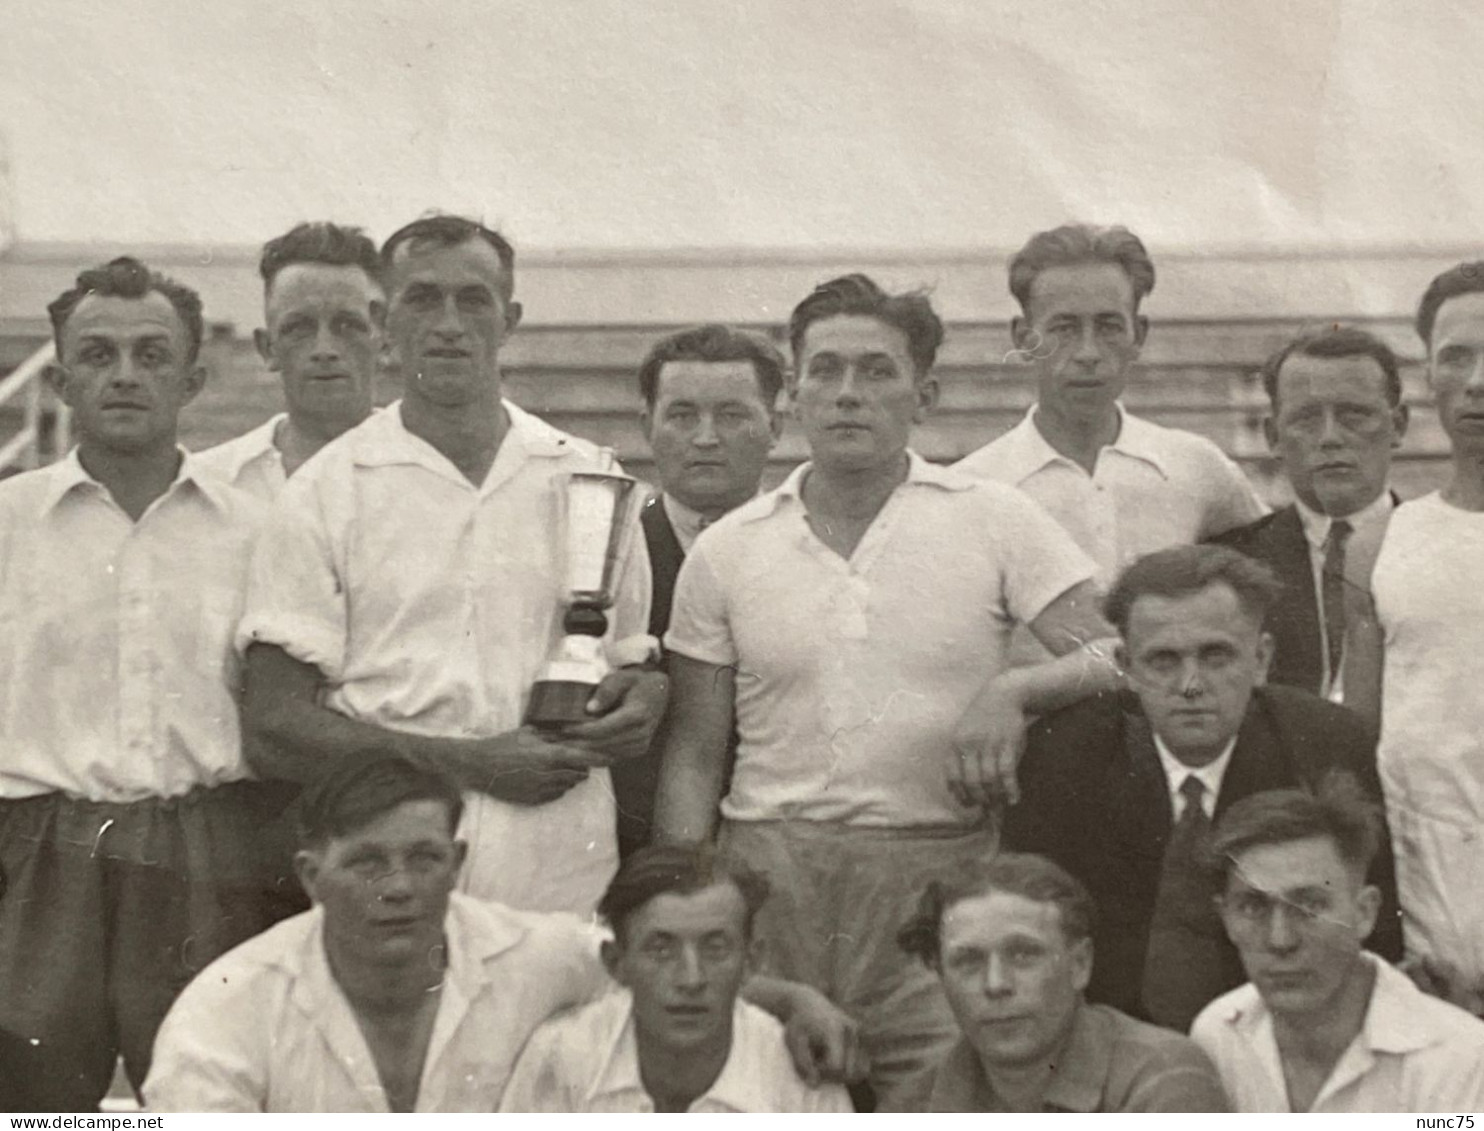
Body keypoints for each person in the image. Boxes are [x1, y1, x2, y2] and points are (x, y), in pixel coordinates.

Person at [655, 274, 1116, 1108]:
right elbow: (695, 749)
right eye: (824, 371)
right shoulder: (729, 547)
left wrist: (1015, 689)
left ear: (925, 394)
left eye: (876, 372)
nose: (847, 395)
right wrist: (691, 897)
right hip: (770, 876)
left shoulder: (993, 516)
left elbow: (1115, 655)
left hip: (937, 881)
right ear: (793, 393)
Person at [237, 214, 668, 915]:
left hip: (556, 864)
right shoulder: (325, 489)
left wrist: (643, 698)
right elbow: (275, 728)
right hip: (390, 862)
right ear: (383, 320)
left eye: (473, 300)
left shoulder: (588, 476)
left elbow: (627, 663)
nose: (447, 323)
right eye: (421, 299)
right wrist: (474, 763)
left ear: (511, 318)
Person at [144, 757, 861, 1112]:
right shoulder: (228, 1009)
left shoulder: (528, 953)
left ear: (457, 862)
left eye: (423, 857)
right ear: (310, 874)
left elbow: (657, 962)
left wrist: (793, 999)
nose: (398, 885)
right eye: (366, 861)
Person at [0, 257, 276, 1109]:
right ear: (64, 375)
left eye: (152, 355)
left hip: (206, 847)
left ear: (192, 378)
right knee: (34, 1104)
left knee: (209, 1095)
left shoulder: (258, 527)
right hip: (42, 852)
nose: (125, 374)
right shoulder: (8, 522)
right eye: (99, 353)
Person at [1002, 544, 1402, 1034]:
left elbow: (1373, 934)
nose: (1191, 686)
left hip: (1281, 1032)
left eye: (1216, 657)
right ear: (1126, 667)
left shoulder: (1326, 747)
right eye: (1164, 661)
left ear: (1261, 659)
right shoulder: (1064, 758)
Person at [956, 223, 1265, 607]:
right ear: (1024, 339)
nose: (1088, 352)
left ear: (1139, 335)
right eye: (1064, 328)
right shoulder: (972, 486)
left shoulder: (1197, 467)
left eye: (1109, 327)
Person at [1192, 785, 1484, 1112]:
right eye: (1253, 906)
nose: (1280, 939)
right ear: (1226, 918)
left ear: (1364, 912)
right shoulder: (1217, 1034)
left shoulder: (1462, 1061)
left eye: (1310, 906)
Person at [500, 845, 851, 1112]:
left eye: (715, 949)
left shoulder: (801, 1078)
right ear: (616, 962)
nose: (691, 979)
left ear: (751, 961)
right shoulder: (562, 1056)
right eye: (660, 949)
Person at [613, 325, 786, 860]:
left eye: (732, 415)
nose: (706, 437)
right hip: (628, 850)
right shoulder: (610, 551)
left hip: (779, 842)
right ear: (648, 427)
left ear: (774, 427)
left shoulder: (807, 547)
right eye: (682, 415)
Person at [1369, 261, 1484, 1014]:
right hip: (1431, 911)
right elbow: (1371, 732)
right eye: (1457, 357)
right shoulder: (1390, 536)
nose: (1478, 381)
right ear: (1430, 376)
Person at [897, 853, 1229, 1111]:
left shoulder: (1164, 1076)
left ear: (1080, 964)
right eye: (968, 961)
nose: (996, 984)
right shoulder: (911, 1107)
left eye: (1023, 955)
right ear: (940, 974)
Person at [1211, 326, 1407, 713]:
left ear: (1398, 425)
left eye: (1354, 415)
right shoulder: (1227, 567)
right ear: (1273, 436)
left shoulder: (1448, 550)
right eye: (1306, 418)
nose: (1330, 437)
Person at [193, 221, 384, 498]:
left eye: (347, 326)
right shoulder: (210, 485)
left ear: (382, 340)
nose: (324, 349)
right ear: (268, 348)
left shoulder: (430, 479)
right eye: (299, 328)